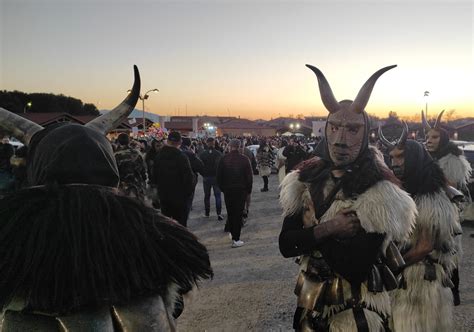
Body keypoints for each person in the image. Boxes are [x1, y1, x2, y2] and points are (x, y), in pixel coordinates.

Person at [0, 66, 212, 330]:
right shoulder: (148, 230)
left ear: (38, 165)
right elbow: (181, 290)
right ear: (105, 160)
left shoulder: (12, 232)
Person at [279, 64, 416, 331]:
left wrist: (313, 231)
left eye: (352, 129)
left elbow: (355, 268)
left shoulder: (379, 193)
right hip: (310, 305)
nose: (341, 139)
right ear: (326, 129)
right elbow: (286, 245)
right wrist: (331, 228)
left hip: (357, 312)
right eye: (335, 127)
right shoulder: (303, 181)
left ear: (365, 134)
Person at [379, 126, 458, 331]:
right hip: (407, 281)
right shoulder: (409, 190)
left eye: (400, 157)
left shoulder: (430, 195)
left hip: (422, 282)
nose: (395, 163)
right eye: (392, 158)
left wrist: (391, 267)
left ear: (413, 156)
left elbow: (424, 246)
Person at [422, 110, 471, 305]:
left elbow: (451, 185)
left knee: (449, 252)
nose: (429, 140)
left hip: (447, 213)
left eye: (434, 137)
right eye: (427, 137)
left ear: (442, 138)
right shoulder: (427, 158)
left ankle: (455, 291)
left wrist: (431, 174)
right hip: (427, 210)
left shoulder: (453, 160)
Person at [153, 131, 195, 227]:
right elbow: (188, 178)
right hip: (180, 197)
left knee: (166, 224)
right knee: (180, 225)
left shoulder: (159, 156)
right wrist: (188, 194)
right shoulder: (181, 157)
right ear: (180, 142)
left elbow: (154, 177)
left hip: (164, 196)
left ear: (167, 141)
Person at [217, 139, 253, 248]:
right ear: (240, 147)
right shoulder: (244, 159)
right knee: (238, 214)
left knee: (231, 212)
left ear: (229, 146)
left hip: (228, 190)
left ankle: (233, 233)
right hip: (241, 190)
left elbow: (219, 176)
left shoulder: (224, 159)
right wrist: (248, 190)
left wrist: (223, 188)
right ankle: (236, 238)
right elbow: (249, 177)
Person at [114, 133, 147, 202]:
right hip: (138, 185)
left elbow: (114, 173)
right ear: (129, 141)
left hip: (123, 187)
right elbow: (143, 170)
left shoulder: (115, 155)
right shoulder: (137, 153)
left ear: (118, 142)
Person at [198, 137, 223, 220]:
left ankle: (207, 213)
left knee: (207, 196)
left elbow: (200, 166)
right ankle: (219, 214)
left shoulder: (202, 154)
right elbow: (221, 166)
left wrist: (203, 174)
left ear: (207, 143)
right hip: (216, 177)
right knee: (218, 196)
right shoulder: (218, 154)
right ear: (214, 143)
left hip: (206, 177)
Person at [181, 136, 204, 218]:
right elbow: (200, 166)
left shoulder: (166, 153)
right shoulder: (189, 153)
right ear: (189, 144)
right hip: (188, 181)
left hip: (171, 183)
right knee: (187, 200)